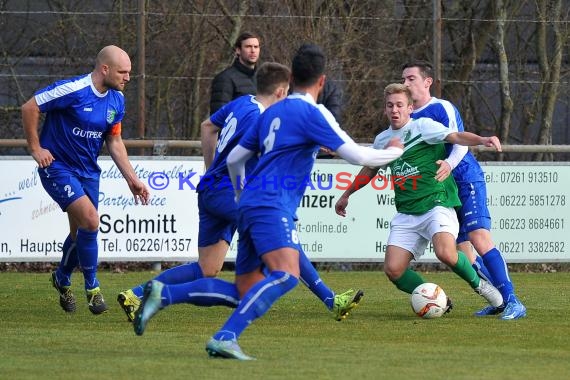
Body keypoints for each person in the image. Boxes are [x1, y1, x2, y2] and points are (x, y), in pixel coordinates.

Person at [119, 62, 362, 324]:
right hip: (232, 193)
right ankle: (330, 299)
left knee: (207, 268)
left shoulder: (242, 103)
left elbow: (207, 126)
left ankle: (135, 295)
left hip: (210, 189)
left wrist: (211, 168)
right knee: (286, 242)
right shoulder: (261, 119)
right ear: (281, 92)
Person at [335, 83, 504, 316]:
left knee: (446, 253)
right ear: (385, 109)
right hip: (407, 212)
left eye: (399, 105)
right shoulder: (383, 139)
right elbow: (369, 170)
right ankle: (436, 297)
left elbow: (455, 136)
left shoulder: (423, 126)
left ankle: (482, 286)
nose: (394, 110)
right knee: (394, 270)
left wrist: (481, 139)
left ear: (410, 108)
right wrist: (346, 194)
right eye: (390, 105)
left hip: (437, 203)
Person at [21, 45, 150, 315]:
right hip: (57, 167)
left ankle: (62, 278)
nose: (128, 77)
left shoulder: (117, 100)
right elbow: (30, 107)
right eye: (123, 72)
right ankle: (93, 289)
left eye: (129, 72)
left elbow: (114, 141)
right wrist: (35, 148)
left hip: (89, 172)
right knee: (91, 221)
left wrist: (132, 179)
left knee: (79, 233)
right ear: (105, 69)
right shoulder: (73, 90)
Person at [401, 61, 526, 320]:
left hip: (465, 178)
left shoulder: (440, 107)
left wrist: (448, 163)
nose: (405, 84)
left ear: (427, 81)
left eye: (411, 78)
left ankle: (513, 300)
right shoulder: (409, 117)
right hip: (443, 190)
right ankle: (501, 301)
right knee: (464, 255)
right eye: (403, 79)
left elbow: (459, 143)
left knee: (480, 238)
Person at [209, 31, 260, 115]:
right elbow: (218, 117)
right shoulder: (224, 78)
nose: (253, 50)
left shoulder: (262, 78)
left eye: (256, 47)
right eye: (248, 47)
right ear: (238, 50)